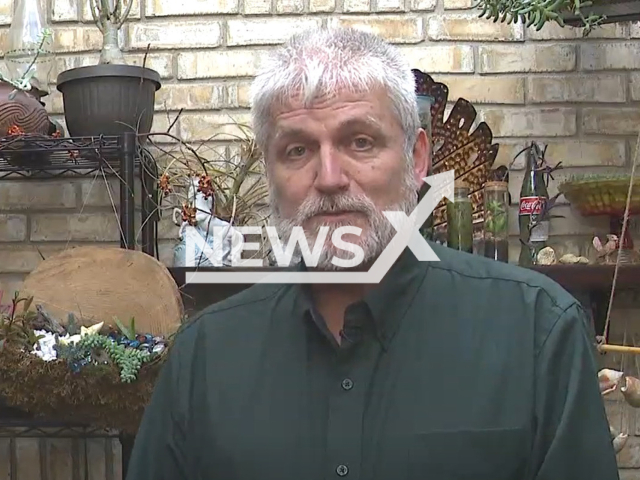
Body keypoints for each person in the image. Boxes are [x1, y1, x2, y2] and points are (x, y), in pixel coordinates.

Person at [126, 26, 620, 480]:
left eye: (360, 142)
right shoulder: (206, 356)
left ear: (417, 159)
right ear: (271, 175)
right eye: (297, 150)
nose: (330, 178)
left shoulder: (536, 331)